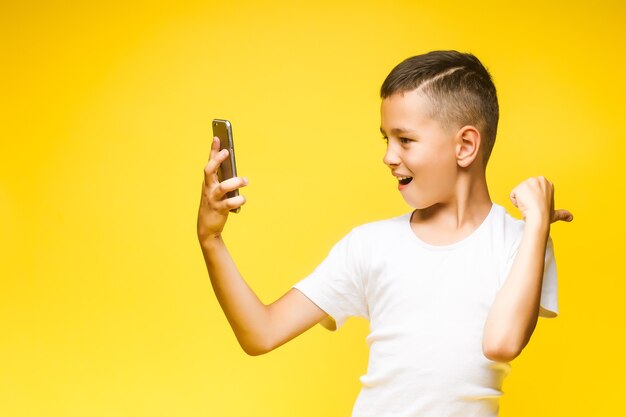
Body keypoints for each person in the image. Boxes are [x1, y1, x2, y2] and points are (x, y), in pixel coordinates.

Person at [196, 50, 573, 417]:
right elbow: (260, 334)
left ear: (466, 145)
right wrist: (210, 239)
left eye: (405, 140)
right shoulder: (369, 246)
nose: (389, 157)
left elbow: (502, 343)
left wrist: (537, 224)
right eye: (386, 140)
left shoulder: (521, 243)